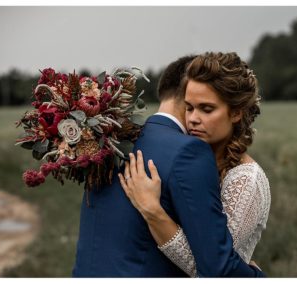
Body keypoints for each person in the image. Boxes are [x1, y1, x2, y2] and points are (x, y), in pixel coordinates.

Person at [72, 54, 265, 277]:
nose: (193, 118)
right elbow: (216, 267)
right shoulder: (188, 153)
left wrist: (154, 211)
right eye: (190, 107)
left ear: (236, 112)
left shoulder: (110, 144)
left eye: (206, 109)